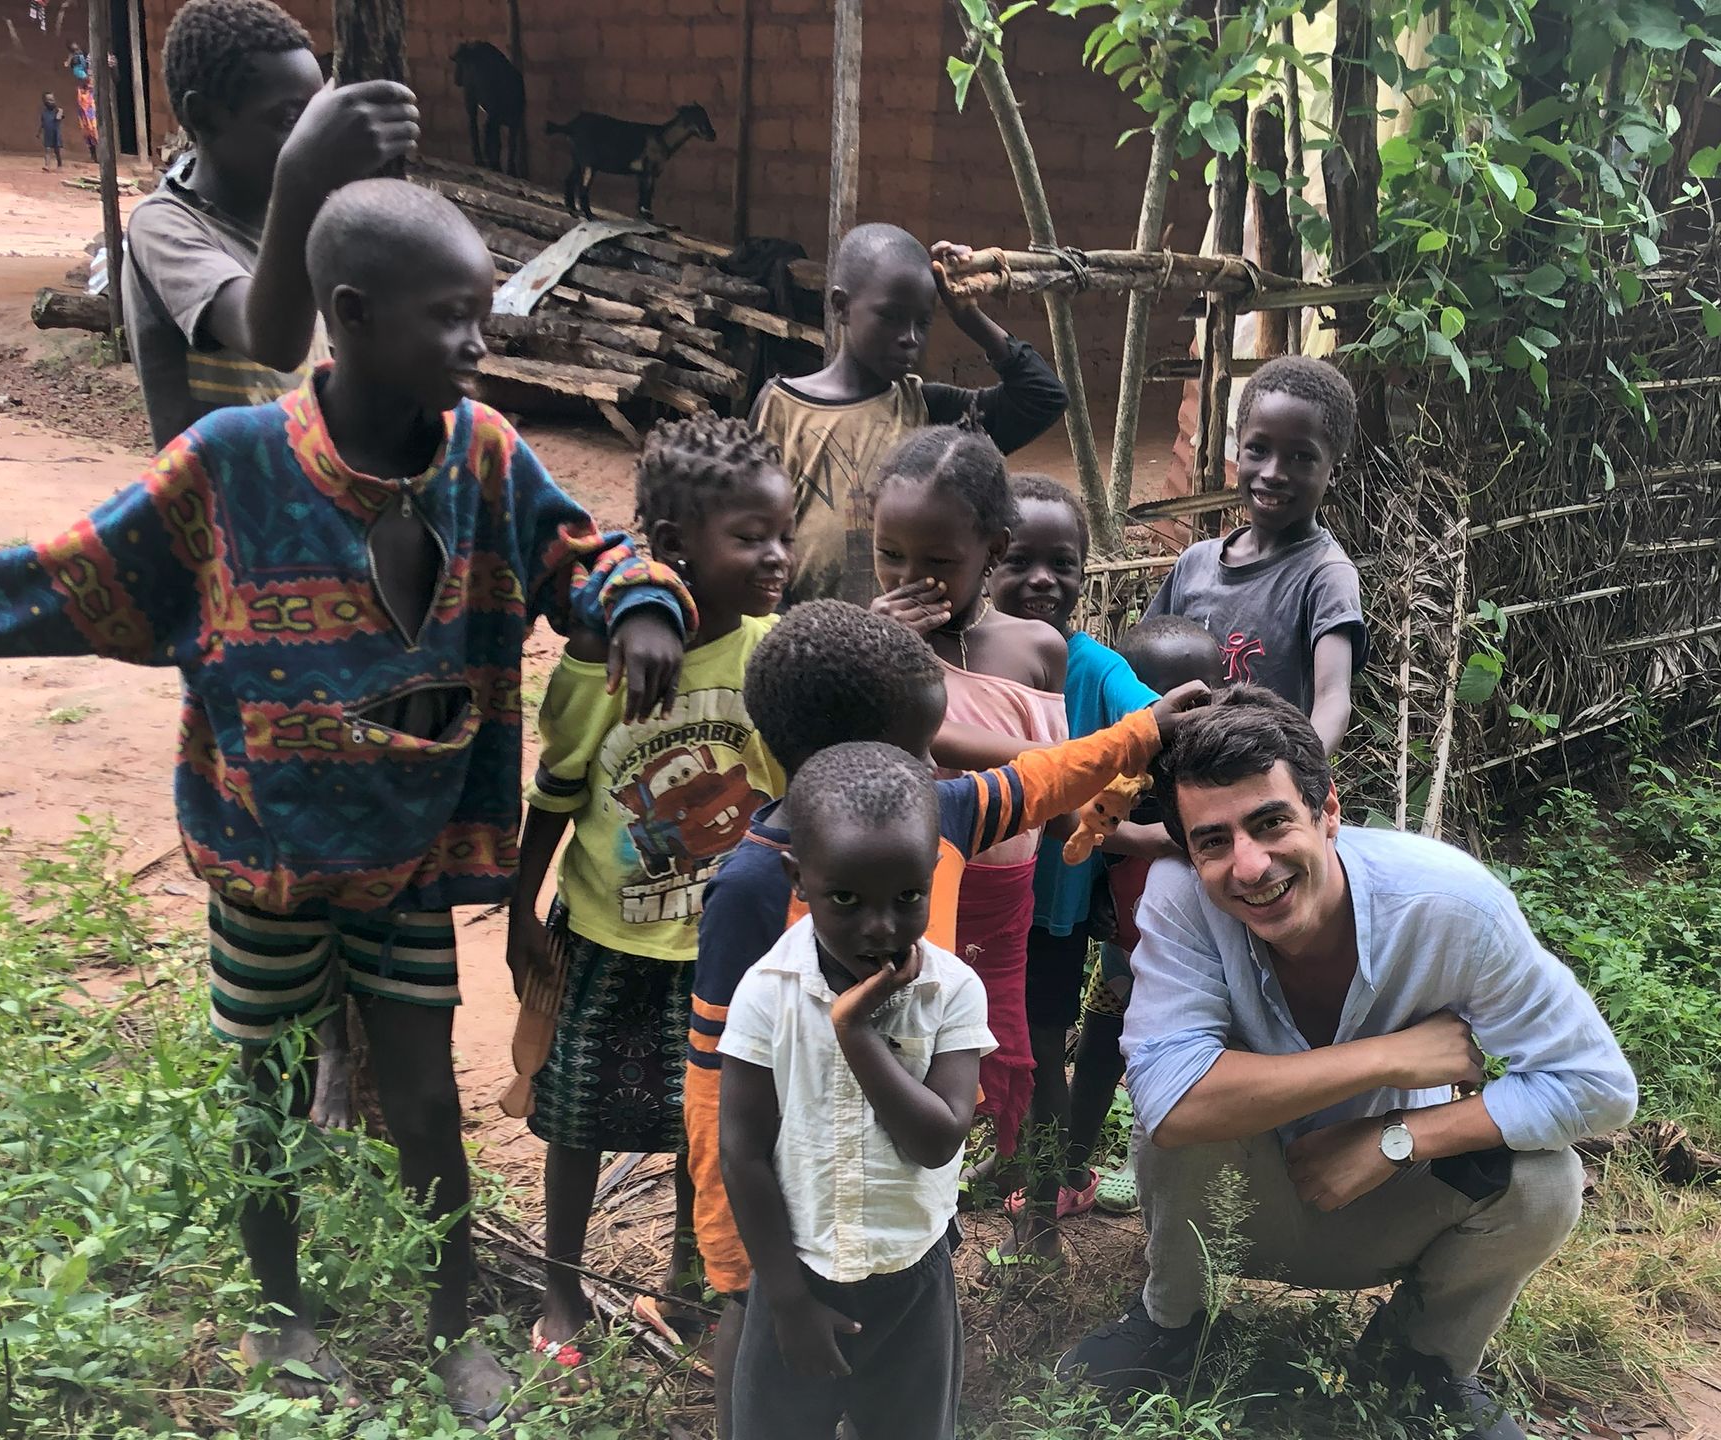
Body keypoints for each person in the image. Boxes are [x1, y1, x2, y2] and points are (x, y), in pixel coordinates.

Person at [0, 179, 694, 1420]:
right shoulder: (232, 466)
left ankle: (455, 1321)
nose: (478, 342)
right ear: (350, 315)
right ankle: (281, 1320)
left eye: (478, 315)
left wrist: (645, 602)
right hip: (265, 867)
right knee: (270, 1105)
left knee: (430, 1098)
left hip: (403, 866)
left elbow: (583, 553)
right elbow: (62, 581)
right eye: (450, 318)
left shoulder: (486, 457)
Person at [1058, 688, 1638, 1440]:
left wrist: (1399, 1137)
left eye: (1271, 823)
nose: (1249, 866)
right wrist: (1389, 1056)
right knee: (1184, 1118)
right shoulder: (1177, 898)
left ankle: (1419, 1362)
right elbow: (1170, 1097)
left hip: (1392, 1196)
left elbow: (1599, 1087)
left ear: (1328, 809)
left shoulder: (1448, 904)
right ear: (1188, 848)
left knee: (1543, 1179)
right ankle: (1173, 1321)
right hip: (1240, 1203)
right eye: (1212, 841)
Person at [682, 599, 1202, 1436]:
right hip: (790, 1222)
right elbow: (717, 1078)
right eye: (918, 747)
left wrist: (1146, 729)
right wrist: (737, 1256)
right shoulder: (752, 889)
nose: (938, 761)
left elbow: (1043, 780)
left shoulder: (942, 816)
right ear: (835, 769)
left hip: (901, 1190)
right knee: (766, 1360)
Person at [501, 417, 795, 1374]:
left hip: (721, 951)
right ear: (671, 550)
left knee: (702, 1127)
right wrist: (517, 911)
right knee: (575, 1118)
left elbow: (792, 791)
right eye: (751, 538)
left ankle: (690, 1284)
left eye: (783, 534)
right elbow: (558, 791)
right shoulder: (602, 663)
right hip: (604, 935)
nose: (778, 557)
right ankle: (560, 1287)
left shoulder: (771, 654)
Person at [717, 743, 994, 1440]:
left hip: (914, 1284)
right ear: (797, 879)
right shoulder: (766, 994)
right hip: (797, 1277)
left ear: (933, 874)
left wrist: (855, 1033)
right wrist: (784, 1302)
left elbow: (936, 1140)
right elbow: (742, 1152)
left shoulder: (953, 991)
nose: (881, 926)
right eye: (846, 899)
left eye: (908, 899)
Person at [983, 474, 1181, 1263]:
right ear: (986, 559)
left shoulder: (1096, 671)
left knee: (1037, 1053)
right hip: (966, 903)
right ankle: (995, 1171)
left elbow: (1157, 717)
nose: (1042, 580)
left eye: (1062, 563)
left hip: (1049, 912)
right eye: (1020, 559)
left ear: (1085, 573)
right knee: (967, 1050)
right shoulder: (962, 655)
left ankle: (1038, 1222)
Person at [868, 427, 1064, 1174]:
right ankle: (916, 1205)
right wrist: (884, 665)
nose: (908, 579)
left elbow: (1050, 790)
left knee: (998, 1039)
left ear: (995, 550)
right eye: (891, 555)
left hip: (1005, 890)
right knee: (903, 1039)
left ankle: (1020, 1195)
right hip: (908, 888)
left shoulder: (1034, 649)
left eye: (940, 562)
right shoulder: (866, 642)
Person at [125, 0, 420, 449]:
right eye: (287, 120)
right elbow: (273, 344)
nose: (306, 137)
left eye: (314, 117)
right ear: (203, 116)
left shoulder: (310, 214)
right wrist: (302, 174)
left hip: (303, 494)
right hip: (214, 510)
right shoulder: (163, 225)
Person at [754, 222, 1067, 603]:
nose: (910, 338)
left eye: (923, 321)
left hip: (916, 638)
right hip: (810, 639)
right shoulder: (782, 408)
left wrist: (967, 313)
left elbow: (1043, 397)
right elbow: (758, 534)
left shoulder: (929, 410)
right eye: (891, 317)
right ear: (841, 306)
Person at [1063, 613, 1224, 1219]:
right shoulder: (1117, 771)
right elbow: (1087, 834)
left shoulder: (1217, 779)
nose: (1172, 717)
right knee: (1102, 1043)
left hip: (1198, 968)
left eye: (1188, 698)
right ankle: (1072, 1162)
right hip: (1125, 950)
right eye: (1149, 697)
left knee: (1174, 1058)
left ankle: (1144, 1158)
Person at [1145, 355, 1367, 755]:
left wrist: (1298, 775)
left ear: (1332, 466)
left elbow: (1333, 696)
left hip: (1262, 785)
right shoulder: (1195, 564)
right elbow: (1139, 667)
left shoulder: (1324, 575)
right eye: (1258, 449)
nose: (1273, 471)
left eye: (1301, 456)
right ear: (1238, 448)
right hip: (1180, 781)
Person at [67, 42, 99, 164]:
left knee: (93, 129)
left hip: (91, 105)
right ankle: (94, 155)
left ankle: (96, 155)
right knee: (88, 130)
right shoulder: (79, 71)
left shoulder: (87, 64)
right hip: (85, 106)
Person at [39, 92, 65, 171]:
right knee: (47, 150)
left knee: (57, 151)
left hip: (56, 134)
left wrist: (59, 112)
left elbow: (58, 118)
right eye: (48, 100)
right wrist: (39, 132)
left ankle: (60, 165)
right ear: (44, 101)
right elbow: (43, 123)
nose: (51, 101)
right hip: (48, 134)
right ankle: (47, 165)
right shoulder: (44, 112)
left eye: (52, 99)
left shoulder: (58, 110)